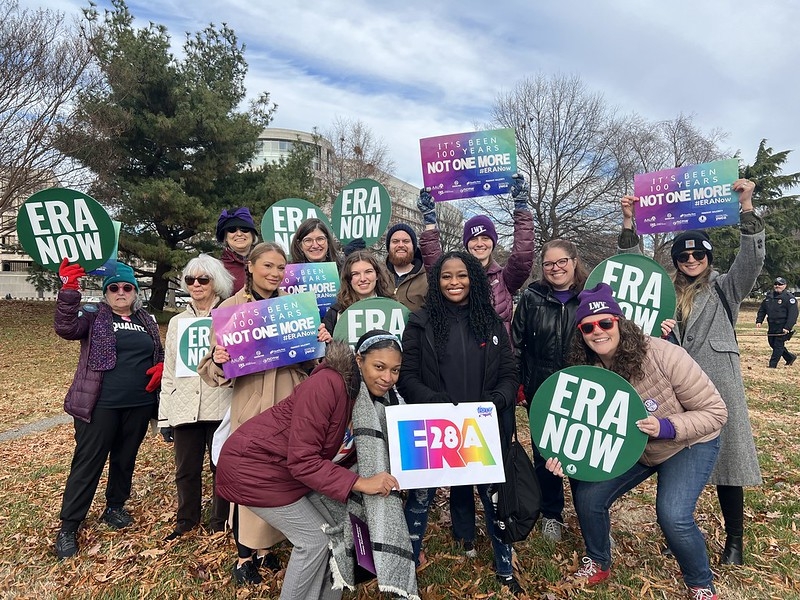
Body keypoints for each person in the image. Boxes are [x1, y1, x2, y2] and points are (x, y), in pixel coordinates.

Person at [546, 282, 727, 600]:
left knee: (672, 514)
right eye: (588, 327)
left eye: (605, 323)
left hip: (688, 442)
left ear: (620, 322)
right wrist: (564, 457)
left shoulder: (665, 354)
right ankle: (599, 561)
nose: (597, 332)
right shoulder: (584, 370)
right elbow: (580, 429)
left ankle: (701, 584)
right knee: (588, 498)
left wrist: (667, 427)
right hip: (638, 449)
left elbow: (715, 412)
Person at [619, 178, 764, 565]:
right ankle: (680, 529)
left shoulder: (725, 288)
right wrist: (629, 224)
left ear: (708, 257)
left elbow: (751, 260)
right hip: (675, 387)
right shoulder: (664, 290)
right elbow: (631, 278)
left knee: (728, 464)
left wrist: (746, 207)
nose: (691, 260)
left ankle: (734, 540)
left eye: (698, 254)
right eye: (684, 256)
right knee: (681, 461)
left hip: (719, 383)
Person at [215, 332, 418, 600]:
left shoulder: (374, 404)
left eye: (395, 370)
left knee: (337, 538)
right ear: (358, 361)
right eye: (379, 367)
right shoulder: (328, 384)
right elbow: (303, 460)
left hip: (288, 473)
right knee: (314, 541)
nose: (387, 378)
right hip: (253, 467)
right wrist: (361, 483)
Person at [398, 251, 524, 597]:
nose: (454, 282)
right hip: (433, 426)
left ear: (474, 278)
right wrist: (435, 403)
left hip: (480, 427)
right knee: (420, 500)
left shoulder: (492, 322)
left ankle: (504, 568)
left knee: (492, 498)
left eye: (462, 275)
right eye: (446, 276)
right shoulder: (419, 322)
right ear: (436, 282)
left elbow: (509, 374)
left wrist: (497, 400)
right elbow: (406, 377)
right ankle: (404, 570)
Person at [198, 242, 308, 584]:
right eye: (268, 266)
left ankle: (267, 548)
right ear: (250, 266)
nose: (274, 274)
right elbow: (209, 370)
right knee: (251, 478)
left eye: (280, 268)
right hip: (250, 405)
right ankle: (244, 556)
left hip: (288, 403)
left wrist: (317, 342)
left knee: (278, 476)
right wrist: (217, 360)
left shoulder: (293, 309)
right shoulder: (231, 309)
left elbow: (309, 359)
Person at [53, 260, 164, 560]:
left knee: (125, 458)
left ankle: (114, 506)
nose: (120, 292)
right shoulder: (93, 315)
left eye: (127, 287)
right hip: (100, 404)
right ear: (106, 292)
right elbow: (65, 327)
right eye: (113, 287)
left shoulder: (146, 320)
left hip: (139, 403)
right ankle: (69, 526)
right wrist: (69, 291)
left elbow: (158, 351)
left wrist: (163, 366)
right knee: (88, 462)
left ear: (135, 291)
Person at [511, 239, 589, 541]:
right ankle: (551, 514)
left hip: (580, 386)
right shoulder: (532, 297)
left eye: (561, 262)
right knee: (546, 454)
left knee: (582, 452)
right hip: (541, 385)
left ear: (574, 261)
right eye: (549, 264)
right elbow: (517, 343)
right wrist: (517, 383)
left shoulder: (589, 294)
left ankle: (588, 515)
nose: (555, 268)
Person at [159, 254, 235, 540]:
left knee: (221, 467)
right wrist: (165, 416)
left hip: (220, 403)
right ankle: (186, 520)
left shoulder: (227, 316)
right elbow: (169, 371)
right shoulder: (177, 323)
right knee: (185, 469)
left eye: (204, 279)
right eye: (191, 279)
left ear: (217, 283)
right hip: (184, 405)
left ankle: (220, 520)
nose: (196, 284)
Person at [417, 174, 534, 335]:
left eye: (485, 238)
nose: (480, 243)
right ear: (466, 244)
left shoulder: (504, 279)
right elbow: (434, 264)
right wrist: (429, 220)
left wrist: (521, 206)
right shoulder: (455, 279)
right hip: (463, 355)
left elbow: (522, 257)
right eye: (474, 239)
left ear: (493, 242)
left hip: (499, 357)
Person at [318, 250, 395, 343]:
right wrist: (329, 342)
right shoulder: (335, 313)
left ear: (377, 275)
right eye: (355, 274)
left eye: (368, 272)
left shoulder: (393, 307)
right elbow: (328, 353)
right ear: (348, 279)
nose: (362, 279)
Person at [384, 223, 428, 312]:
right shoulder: (377, 274)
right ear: (388, 247)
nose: (400, 245)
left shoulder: (427, 279)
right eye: (395, 241)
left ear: (413, 247)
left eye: (406, 241)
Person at [756, 276, 797, 367]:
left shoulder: (789, 298)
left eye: (780, 284)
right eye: (776, 284)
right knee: (772, 343)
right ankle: (790, 357)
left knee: (778, 345)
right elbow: (762, 309)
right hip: (772, 324)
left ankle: (772, 365)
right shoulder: (769, 296)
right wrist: (759, 320)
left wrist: (787, 327)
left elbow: (793, 315)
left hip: (782, 325)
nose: (777, 286)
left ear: (785, 286)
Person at [216, 207, 259, 291]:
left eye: (244, 229)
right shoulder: (217, 268)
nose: (239, 234)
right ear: (225, 237)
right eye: (232, 230)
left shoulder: (266, 261)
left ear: (253, 235)